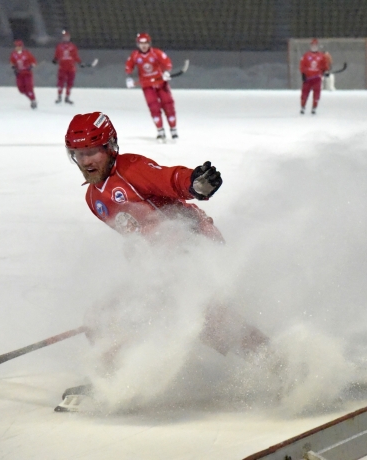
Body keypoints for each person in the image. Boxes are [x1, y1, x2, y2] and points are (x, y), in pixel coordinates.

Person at [58, 112, 275, 411]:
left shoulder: (130, 168)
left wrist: (195, 184)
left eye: (92, 151)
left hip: (192, 249)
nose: (86, 161)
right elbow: (137, 234)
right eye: (79, 154)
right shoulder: (94, 197)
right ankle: (117, 381)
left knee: (206, 318)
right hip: (161, 265)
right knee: (102, 316)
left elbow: (169, 178)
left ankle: (280, 366)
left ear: (110, 147)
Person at [125, 33, 178, 141]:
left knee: (168, 104)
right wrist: (129, 78)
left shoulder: (156, 53)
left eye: (146, 43)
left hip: (160, 83)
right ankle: (160, 131)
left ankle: (173, 129)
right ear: (138, 44)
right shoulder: (135, 55)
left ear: (149, 43)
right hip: (147, 85)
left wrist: (166, 72)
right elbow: (129, 67)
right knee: (153, 107)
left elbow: (167, 63)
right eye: (141, 43)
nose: (143, 46)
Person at [299, 38, 329, 115]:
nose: (314, 46)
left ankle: (314, 107)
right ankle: (303, 106)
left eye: (315, 45)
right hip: (308, 78)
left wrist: (326, 71)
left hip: (317, 78)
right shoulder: (306, 55)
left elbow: (324, 66)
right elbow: (302, 65)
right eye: (313, 45)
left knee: (316, 93)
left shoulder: (322, 56)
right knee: (304, 93)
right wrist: (303, 74)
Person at [53, 30, 82, 104]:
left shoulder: (73, 47)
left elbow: (75, 56)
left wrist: (79, 62)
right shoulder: (59, 46)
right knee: (61, 82)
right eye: (64, 37)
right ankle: (59, 96)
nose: (66, 38)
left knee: (70, 83)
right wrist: (55, 59)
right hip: (62, 67)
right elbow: (57, 55)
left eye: (67, 37)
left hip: (71, 68)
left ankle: (67, 97)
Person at [9, 39, 37, 109]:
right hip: (19, 74)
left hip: (27, 74)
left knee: (29, 87)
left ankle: (33, 100)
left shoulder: (26, 53)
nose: (17, 47)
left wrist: (31, 66)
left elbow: (33, 62)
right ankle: (31, 98)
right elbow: (12, 62)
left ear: (21, 46)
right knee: (21, 89)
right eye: (16, 46)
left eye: (18, 46)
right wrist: (14, 68)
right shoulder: (14, 54)